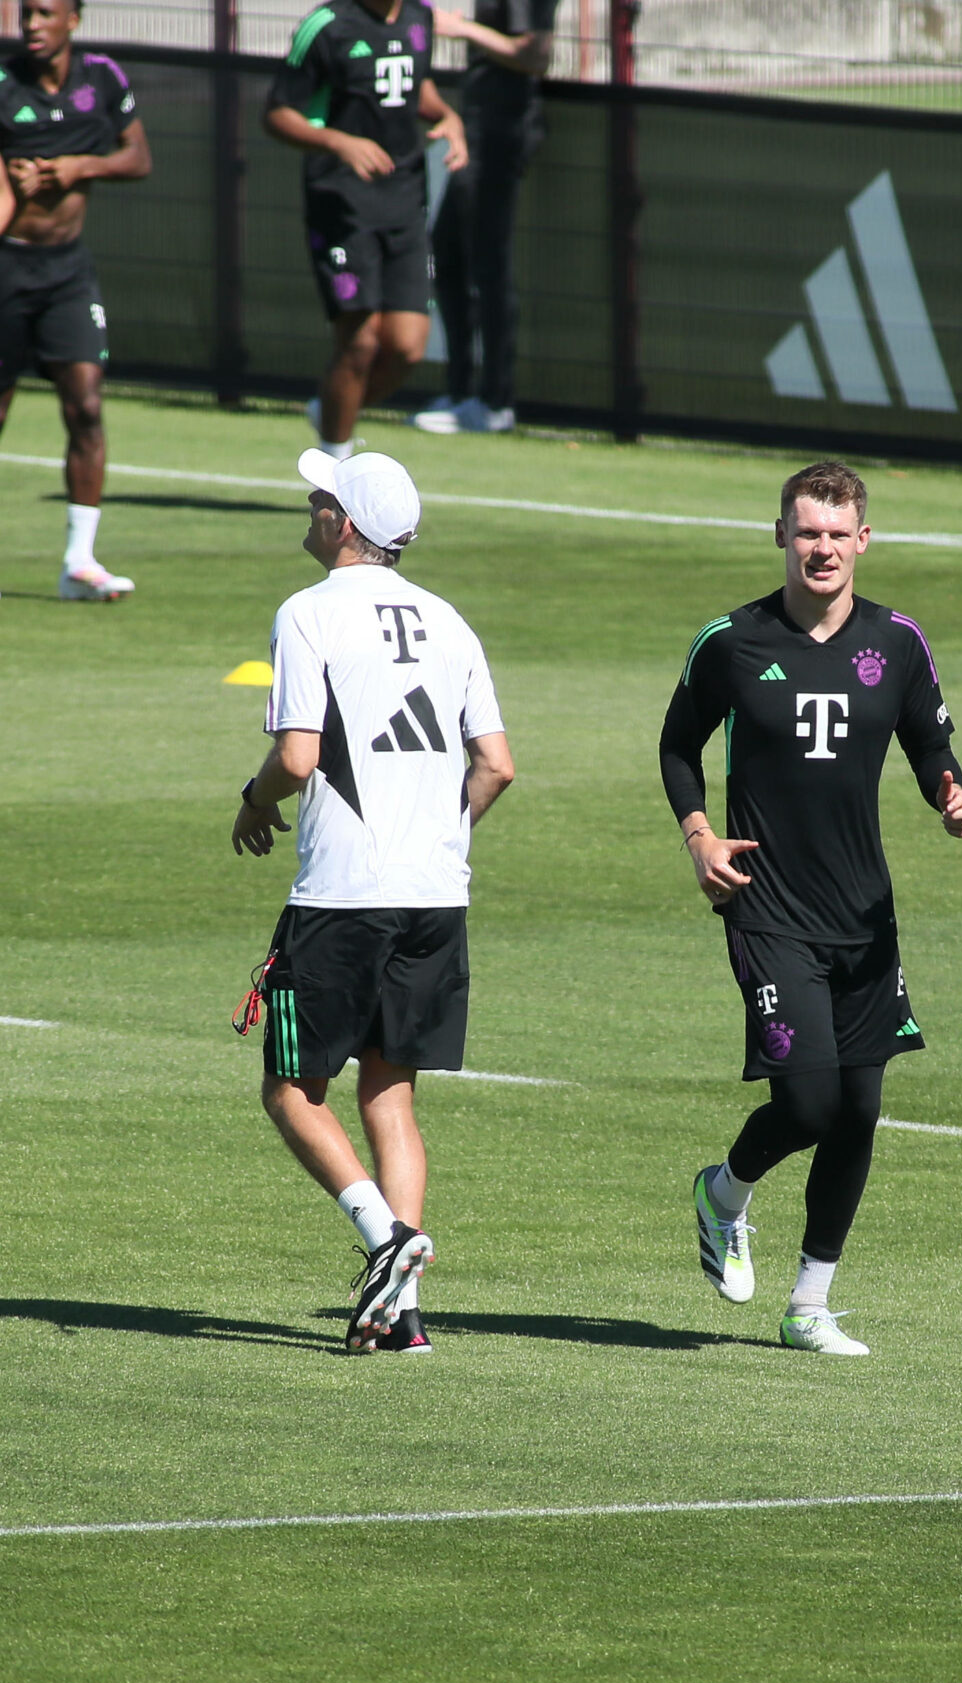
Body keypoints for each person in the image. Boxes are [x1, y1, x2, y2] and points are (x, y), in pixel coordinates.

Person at [659, 461, 962, 1359]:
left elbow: (929, 742)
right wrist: (699, 837)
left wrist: (947, 792)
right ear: (781, 537)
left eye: (838, 534)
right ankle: (724, 1191)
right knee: (807, 1105)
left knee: (861, 1110)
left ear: (863, 540)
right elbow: (679, 745)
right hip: (768, 908)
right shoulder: (731, 641)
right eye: (806, 533)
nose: (822, 549)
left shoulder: (899, 642)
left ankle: (810, 1305)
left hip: (865, 917)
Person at [230, 447, 514, 1355]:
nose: (309, 508)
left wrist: (251, 800)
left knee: (290, 1089)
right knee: (390, 1096)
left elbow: (298, 757)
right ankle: (403, 1317)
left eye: (319, 499)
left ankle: (384, 1237)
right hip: (436, 895)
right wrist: (443, 833)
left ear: (345, 524)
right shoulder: (450, 620)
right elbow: (497, 765)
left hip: (343, 896)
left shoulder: (308, 613)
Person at [264, 0, 467, 458]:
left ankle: (331, 410)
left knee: (406, 348)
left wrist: (447, 117)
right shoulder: (327, 25)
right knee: (359, 340)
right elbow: (277, 112)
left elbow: (415, 87)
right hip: (342, 201)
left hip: (404, 199)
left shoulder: (419, 18)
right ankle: (336, 472)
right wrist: (338, 142)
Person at [0, 0, 147, 600]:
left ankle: (78, 563)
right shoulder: (5, 86)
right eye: (25, 13)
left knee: (86, 405)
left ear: (74, 20)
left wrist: (79, 167)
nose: (32, 24)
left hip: (67, 273)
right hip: (6, 266)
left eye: (44, 12)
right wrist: (13, 182)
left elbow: (138, 157)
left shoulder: (103, 78)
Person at [412, 2, 554, 436]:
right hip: (476, 127)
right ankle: (460, 392)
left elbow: (535, 56)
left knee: (489, 263)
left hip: (501, 133)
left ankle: (496, 401)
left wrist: (463, 29)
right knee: (449, 251)